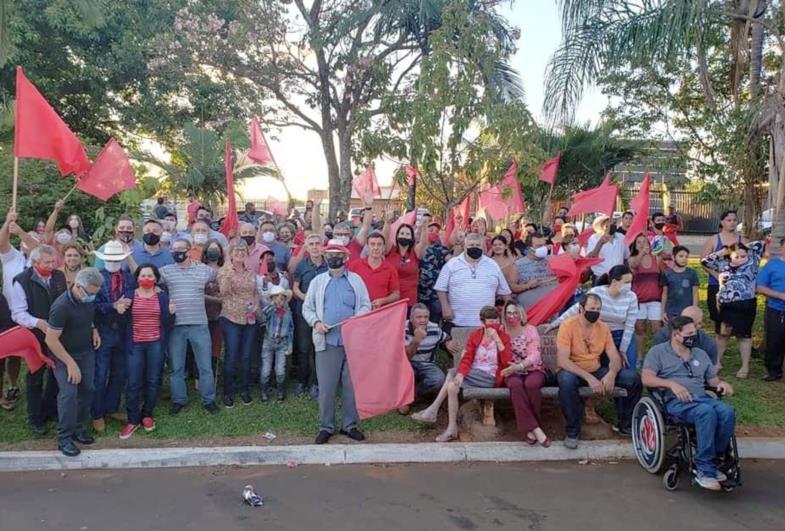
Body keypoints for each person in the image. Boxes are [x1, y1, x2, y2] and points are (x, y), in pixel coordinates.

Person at [642, 316, 735, 491]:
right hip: (676, 401)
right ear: (676, 335)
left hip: (701, 397)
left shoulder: (700, 354)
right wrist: (670, 384)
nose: (695, 336)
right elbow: (646, 378)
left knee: (727, 411)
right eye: (690, 333)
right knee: (705, 412)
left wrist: (721, 384)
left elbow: (712, 380)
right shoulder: (658, 352)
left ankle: (715, 458)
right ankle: (704, 467)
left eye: (695, 332)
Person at [302, 240, 371, 444]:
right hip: (327, 341)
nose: (334, 258)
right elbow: (307, 308)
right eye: (330, 254)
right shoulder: (318, 282)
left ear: (346, 257)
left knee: (351, 387)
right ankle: (326, 426)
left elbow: (366, 304)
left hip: (352, 342)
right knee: (327, 388)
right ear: (325, 257)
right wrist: (316, 323)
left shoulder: (356, 280)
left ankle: (349, 425)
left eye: (338, 254)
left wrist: (358, 318)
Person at [411, 306, 512, 442]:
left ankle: (432, 410)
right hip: (474, 374)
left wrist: (498, 340)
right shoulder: (476, 335)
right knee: (452, 387)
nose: (494, 324)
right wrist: (461, 374)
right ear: (482, 322)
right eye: (490, 321)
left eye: (496, 320)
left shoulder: (504, 337)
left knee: (452, 372)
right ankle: (451, 429)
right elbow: (467, 358)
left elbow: (508, 362)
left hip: (492, 377)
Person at [555, 293, 642, 449]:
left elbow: (614, 357)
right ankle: (573, 431)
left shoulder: (603, 327)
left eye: (598, 309)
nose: (595, 312)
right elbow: (562, 361)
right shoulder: (567, 325)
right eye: (592, 308)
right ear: (581, 308)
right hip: (573, 370)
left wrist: (611, 374)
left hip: (596, 369)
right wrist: (589, 378)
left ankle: (626, 425)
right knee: (566, 382)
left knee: (633, 378)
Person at [45, 267, 104, 457]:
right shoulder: (61, 307)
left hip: (85, 351)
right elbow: (51, 340)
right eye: (90, 294)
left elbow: (89, 317)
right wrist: (70, 363)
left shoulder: (87, 299)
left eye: (95, 294)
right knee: (69, 394)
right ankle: (64, 437)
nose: (92, 298)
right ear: (78, 287)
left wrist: (93, 329)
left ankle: (78, 428)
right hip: (63, 355)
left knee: (88, 389)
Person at [9, 245, 66, 435]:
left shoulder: (58, 276)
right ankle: (35, 418)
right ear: (35, 263)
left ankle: (49, 409)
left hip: (57, 334)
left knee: (56, 373)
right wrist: (37, 322)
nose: (52, 266)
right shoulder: (21, 281)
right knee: (35, 376)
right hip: (35, 336)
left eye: (53, 262)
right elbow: (18, 313)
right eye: (47, 263)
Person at [160, 238, 219, 414]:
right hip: (176, 326)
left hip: (199, 324)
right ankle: (178, 399)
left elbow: (222, 275)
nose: (177, 252)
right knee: (176, 367)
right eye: (174, 249)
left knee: (205, 366)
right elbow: (143, 275)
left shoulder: (203, 270)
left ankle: (208, 399)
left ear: (188, 251)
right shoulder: (166, 271)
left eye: (180, 249)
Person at [120, 264, 174, 439]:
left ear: (156, 278)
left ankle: (147, 415)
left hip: (155, 343)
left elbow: (167, 321)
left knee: (153, 380)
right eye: (143, 275)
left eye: (150, 275)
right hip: (135, 343)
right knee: (134, 382)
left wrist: (172, 313)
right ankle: (133, 419)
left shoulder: (162, 296)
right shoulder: (130, 295)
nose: (146, 278)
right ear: (137, 278)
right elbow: (122, 318)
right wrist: (120, 308)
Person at [548, 265, 639, 368]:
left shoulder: (631, 297)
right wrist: (554, 324)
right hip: (600, 335)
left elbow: (630, 325)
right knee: (605, 368)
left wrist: (623, 349)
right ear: (614, 282)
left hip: (623, 335)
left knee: (629, 368)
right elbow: (576, 309)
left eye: (630, 282)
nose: (629, 285)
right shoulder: (597, 292)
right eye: (626, 282)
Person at [701, 240, 764, 377]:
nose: (741, 259)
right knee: (722, 334)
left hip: (746, 304)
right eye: (737, 256)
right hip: (725, 305)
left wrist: (742, 247)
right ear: (730, 256)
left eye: (743, 256)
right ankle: (717, 363)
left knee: (744, 336)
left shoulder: (753, 261)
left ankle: (745, 367)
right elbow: (705, 261)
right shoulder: (723, 263)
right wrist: (723, 252)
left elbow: (760, 244)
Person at [92, 241, 136, 433]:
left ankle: (111, 407)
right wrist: (113, 306)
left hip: (123, 330)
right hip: (104, 330)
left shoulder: (127, 277)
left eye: (117, 259)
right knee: (100, 373)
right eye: (110, 259)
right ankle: (97, 413)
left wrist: (127, 303)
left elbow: (133, 297)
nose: (113, 262)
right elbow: (92, 305)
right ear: (104, 259)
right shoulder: (97, 278)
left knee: (120, 372)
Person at [434, 233, 512, 332]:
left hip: (486, 324)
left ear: (483, 247)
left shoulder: (492, 265)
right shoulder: (452, 264)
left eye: (478, 245)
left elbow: (506, 293)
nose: (474, 247)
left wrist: (506, 315)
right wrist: (445, 307)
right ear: (465, 247)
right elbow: (440, 288)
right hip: (457, 322)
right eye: (471, 245)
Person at [501, 302, 549, 447]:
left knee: (532, 384)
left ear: (521, 314)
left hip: (532, 368)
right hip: (510, 370)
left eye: (515, 312)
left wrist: (520, 366)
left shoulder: (530, 330)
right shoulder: (501, 330)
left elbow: (535, 354)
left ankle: (530, 428)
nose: (512, 316)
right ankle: (535, 429)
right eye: (508, 313)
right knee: (515, 385)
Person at [218, 240, 259, 408]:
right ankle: (228, 391)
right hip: (231, 318)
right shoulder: (224, 271)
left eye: (243, 251)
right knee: (232, 355)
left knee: (247, 355)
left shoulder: (251, 271)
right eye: (237, 251)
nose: (240, 253)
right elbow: (223, 292)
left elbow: (255, 291)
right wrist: (228, 273)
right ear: (231, 253)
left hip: (250, 318)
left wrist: (256, 305)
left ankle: (244, 389)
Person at [292, 234, 328, 399]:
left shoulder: (328, 266)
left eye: (317, 244)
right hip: (304, 313)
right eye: (311, 244)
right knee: (304, 348)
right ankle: (301, 381)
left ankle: (316, 383)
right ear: (306, 248)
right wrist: (307, 297)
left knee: (318, 349)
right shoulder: (301, 265)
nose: (314, 247)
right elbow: (295, 288)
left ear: (322, 246)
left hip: (322, 314)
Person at [404, 303, 460, 407]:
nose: (423, 320)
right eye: (419, 317)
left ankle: (412, 397)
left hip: (427, 364)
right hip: (406, 364)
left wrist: (448, 343)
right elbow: (406, 357)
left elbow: (446, 338)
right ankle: (405, 396)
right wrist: (416, 341)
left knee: (438, 380)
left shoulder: (434, 328)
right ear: (411, 318)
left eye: (426, 317)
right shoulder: (403, 329)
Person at [701, 210, 744, 333]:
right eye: (728, 220)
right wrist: (716, 275)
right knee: (718, 319)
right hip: (716, 285)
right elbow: (703, 261)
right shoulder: (714, 240)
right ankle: (718, 345)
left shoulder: (742, 240)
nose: (732, 223)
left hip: (736, 286)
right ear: (722, 222)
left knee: (736, 321)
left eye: (734, 220)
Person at [628, 233, 663, 357]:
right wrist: (642, 253)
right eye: (639, 242)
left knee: (657, 329)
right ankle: (639, 356)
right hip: (639, 300)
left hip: (655, 299)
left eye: (645, 242)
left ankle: (658, 357)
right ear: (635, 246)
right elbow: (634, 265)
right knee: (639, 329)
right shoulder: (632, 259)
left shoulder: (656, 259)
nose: (643, 244)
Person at [757, 238, 785, 381]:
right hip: (776, 309)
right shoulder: (772, 265)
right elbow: (760, 286)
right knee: (774, 340)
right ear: (782, 248)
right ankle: (773, 371)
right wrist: (779, 295)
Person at [347, 232, 400, 309]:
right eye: (372, 244)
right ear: (367, 247)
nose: (376, 247)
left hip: (380, 312)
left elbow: (396, 294)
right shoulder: (355, 265)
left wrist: (383, 301)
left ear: (383, 247)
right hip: (358, 311)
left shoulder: (390, 269)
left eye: (379, 244)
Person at [260, 285, 294, 401]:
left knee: (280, 370)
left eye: (282, 298)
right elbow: (262, 316)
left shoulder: (288, 312)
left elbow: (290, 329)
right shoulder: (270, 310)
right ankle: (263, 391)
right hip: (268, 342)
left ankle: (280, 390)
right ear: (272, 299)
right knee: (266, 370)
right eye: (277, 298)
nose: (280, 301)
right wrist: (273, 306)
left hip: (282, 344)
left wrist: (289, 346)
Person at [653, 306, 718, 364]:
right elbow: (659, 362)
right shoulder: (663, 335)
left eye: (689, 324)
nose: (683, 325)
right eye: (682, 320)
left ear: (699, 324)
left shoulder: (708, 345)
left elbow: (710, 371)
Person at [384, 221, 427, 306]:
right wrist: (387, 222)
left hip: (409, 299)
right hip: (390, 299)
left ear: (411, 238)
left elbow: (423, 243)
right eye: (402, 233)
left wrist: (425, 228)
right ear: (397, 235)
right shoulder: (390, 250)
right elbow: (384, 238)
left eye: (407, 234)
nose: (404, 236)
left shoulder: (415, 252)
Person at [514, 232, 558, 311]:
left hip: (552, 310)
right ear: (529, 248)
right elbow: (512, 288)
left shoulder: (554, 260)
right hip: (529, 313)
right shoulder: (517, 265)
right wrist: (527, 286)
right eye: (539, 246)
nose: (543, 248)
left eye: (544, 245)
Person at [418, 222, 452, 323]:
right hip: (420, 295)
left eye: (437, 231)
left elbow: (451, 262)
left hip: (435, 296)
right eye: (431, 230)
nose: (434, 233)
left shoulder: (441, 249)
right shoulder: (418, 248)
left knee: (434, 324)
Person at [661, 245, 699, 322]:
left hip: (687, 312)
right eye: (681, 256)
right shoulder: (667, 274)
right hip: (671, 312)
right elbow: (664, 294)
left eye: (686, 256)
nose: (684, 259)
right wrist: (662, 312)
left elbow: (695, 293)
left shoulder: (691, 273)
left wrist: (695, 310)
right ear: (674, 257)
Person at [586, 215, 629, 281]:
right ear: (602, 226)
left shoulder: (621, 237)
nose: (611, 225)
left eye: (613, 223)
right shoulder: (594, 238)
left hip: (618, 278)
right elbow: (590, 258)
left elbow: (626, 257)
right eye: (608, 224)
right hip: (600, 277)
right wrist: (600, 243)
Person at [202, 239, 224, 364]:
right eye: (211, 249)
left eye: (216, 249)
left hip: (219, 314)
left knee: (216, 345)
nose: (213, 252)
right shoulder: (199, 269)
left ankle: (214, 371)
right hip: (202, 313)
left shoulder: (225, 270)